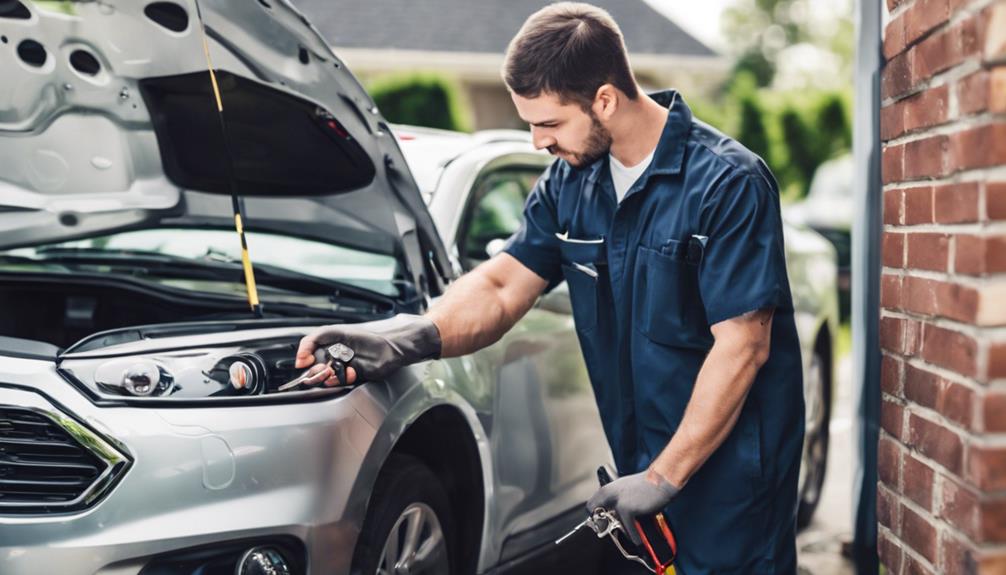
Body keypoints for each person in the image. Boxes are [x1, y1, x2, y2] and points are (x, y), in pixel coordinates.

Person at [295, 3, 804, 573]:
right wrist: (406, 336)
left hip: (729, 483)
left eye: (549, 123)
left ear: (604, 99)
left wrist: (664, 476)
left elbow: (743, 346)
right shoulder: (572, 183)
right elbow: (503, 283)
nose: (537, 142)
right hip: (642, 476)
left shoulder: (727, 183)